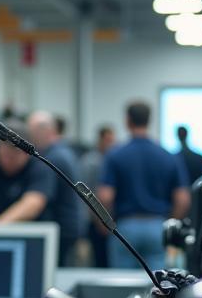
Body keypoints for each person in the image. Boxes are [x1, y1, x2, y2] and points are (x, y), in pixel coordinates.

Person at [97, 101, 190, 271]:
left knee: (123, 285)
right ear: (149, 120)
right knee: (157, 286)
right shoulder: (167, 155)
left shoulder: (115, 155)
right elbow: (182, 199)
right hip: (158, 227)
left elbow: (105, 196)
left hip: (126, 227)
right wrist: (170, 221)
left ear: (127, 121)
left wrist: (104, 224)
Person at [27, 110, 83, 265]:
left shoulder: (52, 158)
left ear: (44, 132)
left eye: (32, 133)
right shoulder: (63, 152)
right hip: (69, 225)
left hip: (61, 229)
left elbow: (39, 198)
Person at [79, 126, 115, 268]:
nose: (111, 144)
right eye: (108, 140)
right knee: (98, 258)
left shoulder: (111, 159)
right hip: (95, 219)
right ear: (100, 140)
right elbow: (86, 193)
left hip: (109, 219)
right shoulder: (90, 162)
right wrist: (98, 219)